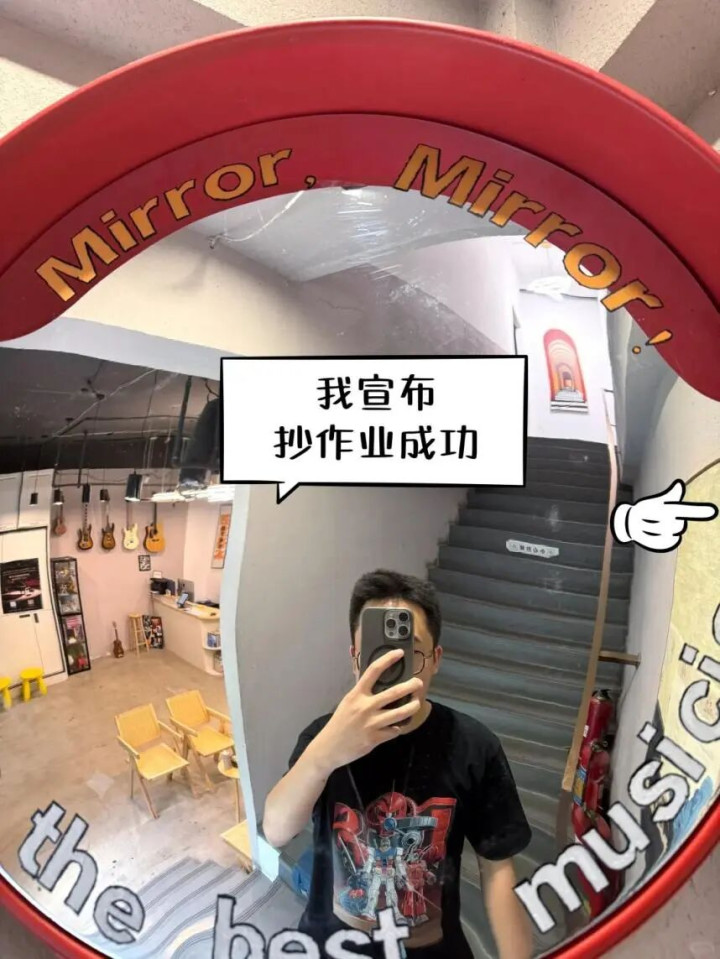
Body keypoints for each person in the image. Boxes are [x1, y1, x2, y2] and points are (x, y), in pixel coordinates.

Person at [263, 569, 534, 959]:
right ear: (356, 660)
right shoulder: (322, 738)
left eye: (408, 655)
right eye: (378, 655)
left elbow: (498, 871)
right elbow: (276, 831)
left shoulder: (474, 746)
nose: (391, 670)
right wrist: (323, 755)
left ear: (435, 660)